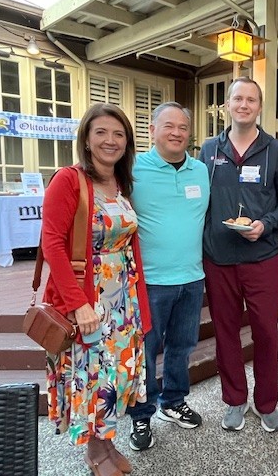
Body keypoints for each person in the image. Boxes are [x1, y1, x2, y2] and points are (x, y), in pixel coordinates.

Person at [43, 102, 151, 476]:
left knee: (115, 375)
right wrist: (78, 303)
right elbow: (52, 243)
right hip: (89, 297)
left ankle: (107, 442)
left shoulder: (121, 184)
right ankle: (94, 451)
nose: (110, 140)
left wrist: (137, 303)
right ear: (86, 139)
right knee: (91, 374)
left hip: (123, 298)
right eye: (101, 132)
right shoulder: (68, 180)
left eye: (119, 134)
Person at [199, 76, 278, 432]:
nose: (243, 105)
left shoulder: (277, 151)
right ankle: (235, 400)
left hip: (262, 257)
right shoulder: (209, 150)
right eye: (237, 98)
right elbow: (200, 201)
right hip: (219, 258)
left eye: (251, 99)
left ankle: (267, 403)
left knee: (266, 333)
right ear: (227, 105)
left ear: (259, 106)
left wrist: (265, 224)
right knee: (225, 333)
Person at [127, 102, 210, 451]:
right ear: (152, 130)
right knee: (145, 351)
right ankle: (141, 413)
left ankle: (173, 401)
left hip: (191, 277)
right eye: (168, 126)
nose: (176, 133)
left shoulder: (200, 170)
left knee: (182, 346)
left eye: (183, 127)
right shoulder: (133, 169)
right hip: (149, 281)